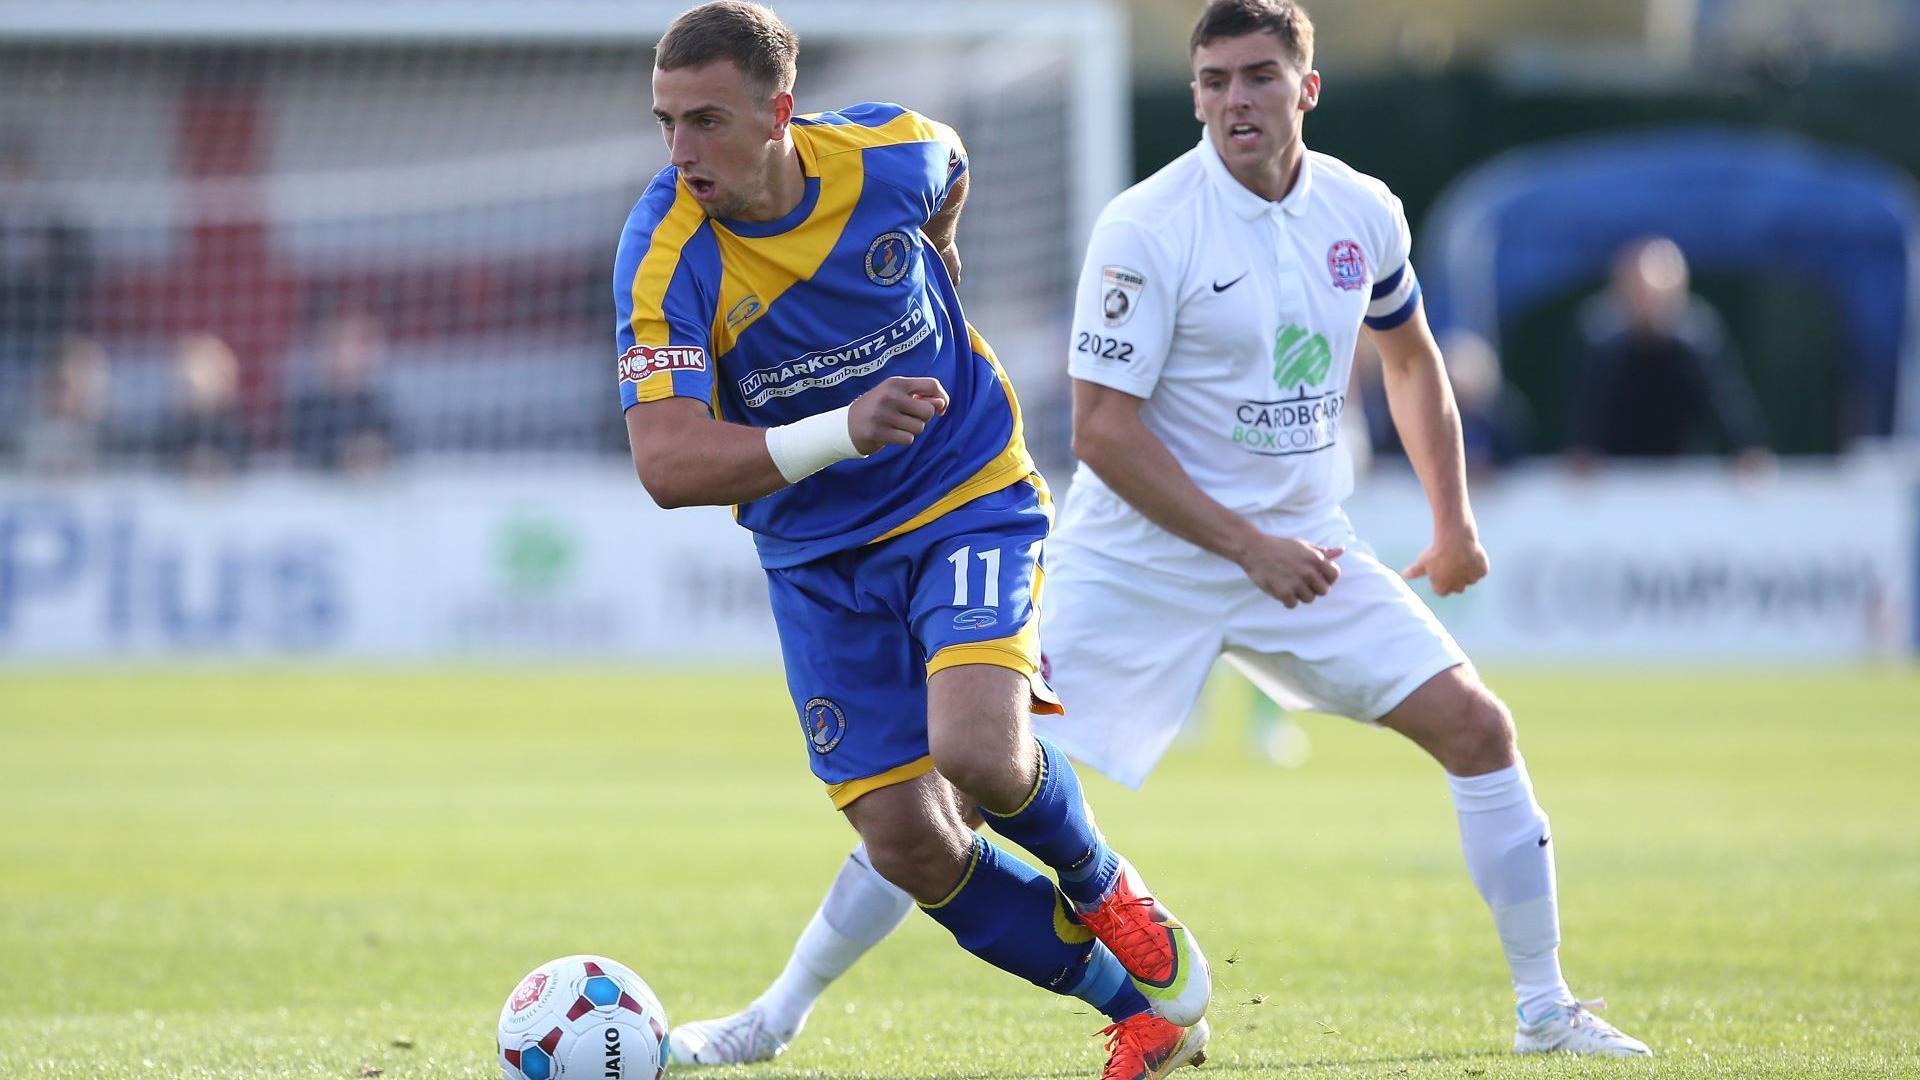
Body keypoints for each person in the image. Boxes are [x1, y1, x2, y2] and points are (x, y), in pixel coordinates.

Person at [667, 0, 1651, 1065]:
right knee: (946, 785)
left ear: (1305, 89)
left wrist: (1452, 520)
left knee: (1480, 730)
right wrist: (1245, 547)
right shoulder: (1147, 227)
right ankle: (778, 1015)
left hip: (1306, 551)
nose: (1236, 99)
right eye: (1216, 80)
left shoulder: (1363, 212)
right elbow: (1102, 433)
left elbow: (1410, 358)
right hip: (1137, 560)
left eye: (1260, 77)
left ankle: (1547, 1011)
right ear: (1193, 95)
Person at [614, 4, 1212, 1078]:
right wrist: (841, 429)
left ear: (779, 114)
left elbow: (952, 164)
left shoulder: (887, 154)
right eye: (666, 122)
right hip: (818, 559)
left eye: (706, 120)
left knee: (976, 751)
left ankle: (1102, 883)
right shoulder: (665, 256)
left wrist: (939, 248)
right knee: (907, 839)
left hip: (963, 491)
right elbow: (664, 463)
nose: (681, 151)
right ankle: (1140, 1013)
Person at [1565, 236, 1770, 471]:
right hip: (1617, 478)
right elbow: (1585, 416)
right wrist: (1582, 451)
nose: (1645, 305)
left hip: (1682, 474)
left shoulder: (1696, 342)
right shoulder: (1601, 344)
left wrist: (1746, 449)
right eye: (1636, 293)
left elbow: (1727, 402)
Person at [287, 308, 397, 474]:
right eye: (334, 344)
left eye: (355, 344)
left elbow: (396, 451)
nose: (345, 354)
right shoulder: (303, 410)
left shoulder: (378, 408)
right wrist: (343, 454)